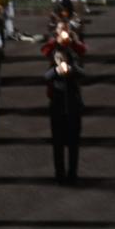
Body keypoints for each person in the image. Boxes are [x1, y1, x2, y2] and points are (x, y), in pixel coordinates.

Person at [45, 49, 85, 185]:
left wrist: (72, 69)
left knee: (73, 145)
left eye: (62, 57)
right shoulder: (53, 70)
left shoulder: (74, 67)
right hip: (57, 112)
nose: (60, 60)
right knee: (58, 145)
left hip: (73, 112)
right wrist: (57, 70)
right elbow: (46, 76)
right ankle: (59, 174)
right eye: (57, 58)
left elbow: (83, 74)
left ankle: (72, 173)